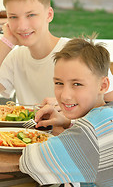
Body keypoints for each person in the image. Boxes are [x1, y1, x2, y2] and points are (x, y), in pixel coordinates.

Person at [0, 0, 113, 106]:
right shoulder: (16, 58)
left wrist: (65, 103)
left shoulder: (77, 53)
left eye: (31, 15)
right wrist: (6, 43)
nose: (22, 26)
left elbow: (108, 100)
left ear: (49, 15)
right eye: (13, 17)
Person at [20, 36, 113, 186]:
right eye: (59, 83)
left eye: (77, 84)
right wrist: (69, 123)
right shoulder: (107, 115)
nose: (65, 95)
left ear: (103, 86)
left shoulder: (92, 130)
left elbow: (31, 162)